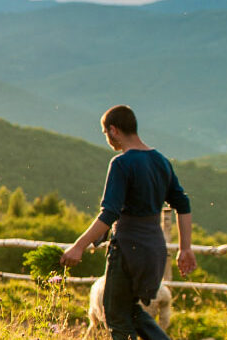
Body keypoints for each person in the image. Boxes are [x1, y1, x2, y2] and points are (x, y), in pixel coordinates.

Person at [61, 105, 197, 340]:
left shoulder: (121, 164)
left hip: (128, 248)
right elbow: (183, 205)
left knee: (114, 314)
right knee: (131, 311)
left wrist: (79, 245)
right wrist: (186, 249)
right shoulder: (161, 161)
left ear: (113, 130)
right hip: (153, 250)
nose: (107, 139)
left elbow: (109, 213)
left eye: (105, 134)